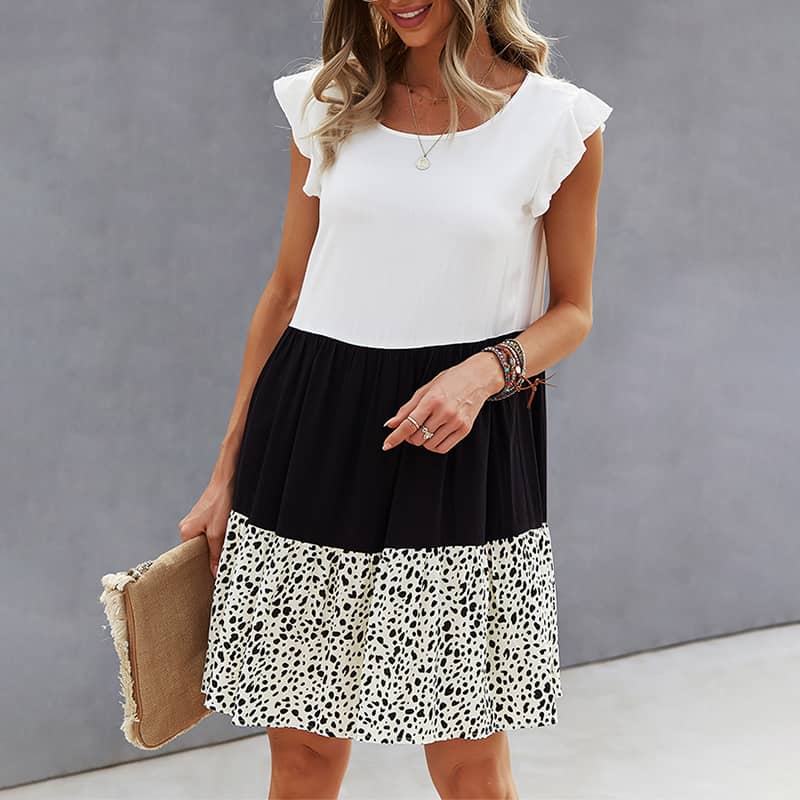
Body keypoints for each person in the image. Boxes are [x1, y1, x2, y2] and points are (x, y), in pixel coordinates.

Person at [181, 1, 612, 797]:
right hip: (310, 434)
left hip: (457, 447)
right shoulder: (329, 102)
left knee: (468, 761)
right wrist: (225, 470)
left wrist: (484, 373)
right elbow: (284, 292)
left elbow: (574, 311)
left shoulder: (558, 123)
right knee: (302, 752)